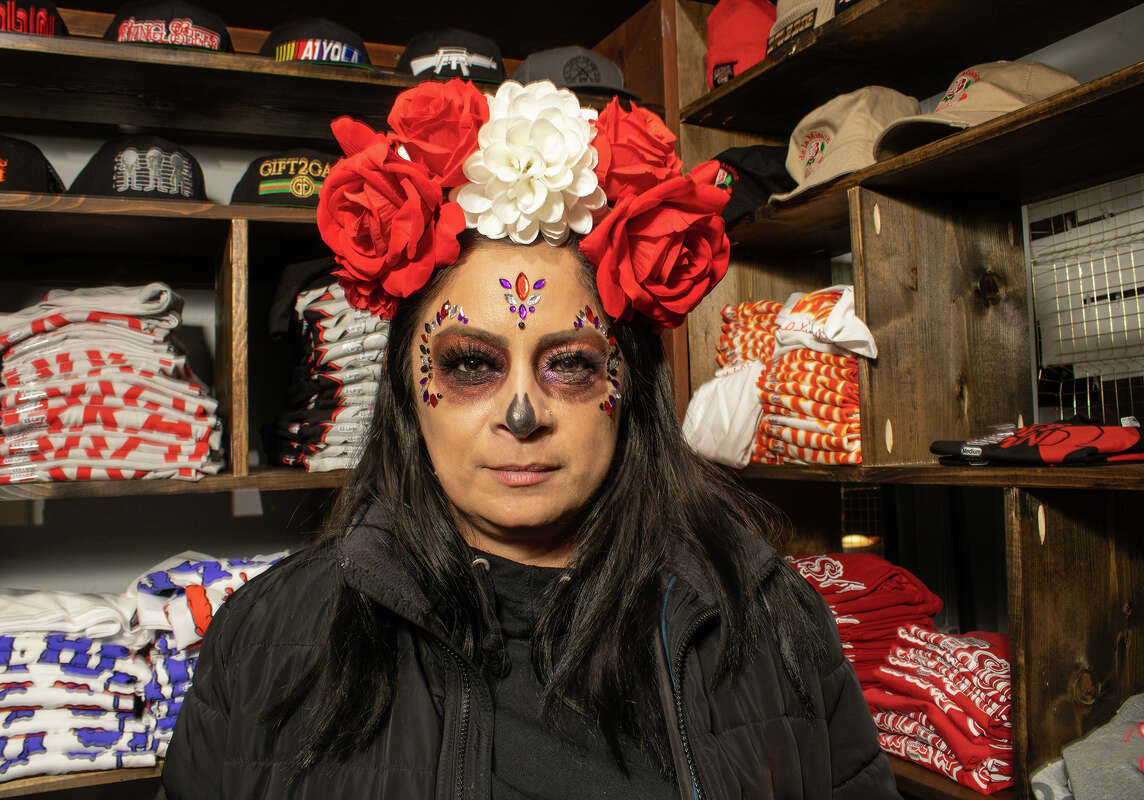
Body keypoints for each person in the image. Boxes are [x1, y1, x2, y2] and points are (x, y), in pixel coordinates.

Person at [162, 79, 899, 799]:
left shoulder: (768, 620)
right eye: (470, 364)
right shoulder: (266, 638)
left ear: (629, 386)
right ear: (404, 390)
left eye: (573, 365)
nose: (521, 413)